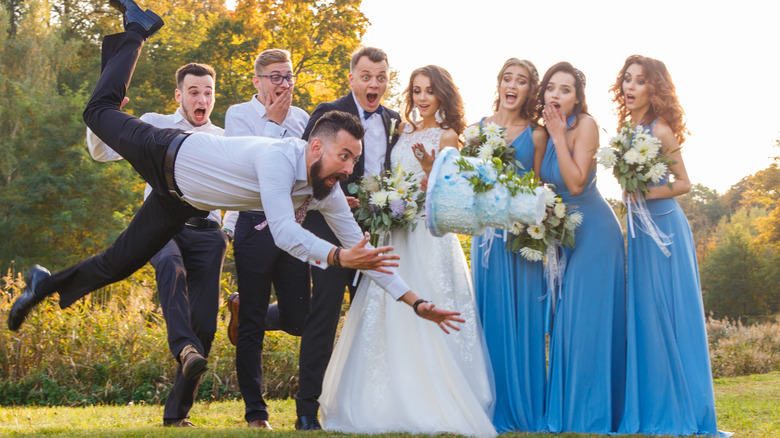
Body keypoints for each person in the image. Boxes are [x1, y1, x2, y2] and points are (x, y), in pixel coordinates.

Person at [7, 0, 462, 382]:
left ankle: (44, 285)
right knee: (97, 110)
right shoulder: (277, 159)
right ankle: (137, 30)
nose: (350, 168)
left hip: (178, 201)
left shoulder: (325, 188)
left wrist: (417, 302)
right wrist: (341, 258)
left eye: (353, 159)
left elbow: (361, 250)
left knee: (117, 263)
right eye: (344, 157)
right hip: (163, 152)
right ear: (316, 146)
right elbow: (284, 234)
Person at [320, 65, 497, 437]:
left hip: (428, 234)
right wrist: (383, 203)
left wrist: (431, 170)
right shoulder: (402, 130)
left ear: (442, 94)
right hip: (395, 231)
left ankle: (436, 396)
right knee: (387, 308)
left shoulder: (449, 136)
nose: (422, 97)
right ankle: (384, 399)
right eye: (416, 90)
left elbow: (450, 192)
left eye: (429, 91)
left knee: (430, 297)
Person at [86, 61, 228, 427]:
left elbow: (242, 189)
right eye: (194, 92)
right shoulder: (155, 123)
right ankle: (183, 346)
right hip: (163, 226)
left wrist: (229, 231)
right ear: (178, 95)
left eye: (208, 92)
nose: (202, 99)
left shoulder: (225, 139)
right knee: (169, 266)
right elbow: (102, 153)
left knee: (207, 326)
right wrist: (108, 115)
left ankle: (176, 415)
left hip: (208, 232)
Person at [611, 55, 726, 436]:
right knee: (644, 313)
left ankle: (686, 408)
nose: (630, 87)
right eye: (626, 80)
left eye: (639, 81)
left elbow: (683, 183)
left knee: (671, 313)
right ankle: (652, 405)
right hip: (640, 232)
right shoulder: (627, 131)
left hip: (665, 230)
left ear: (654, 89)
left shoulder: (660, 130)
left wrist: (643, 191)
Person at [294, 46, 402, 431]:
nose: (374, 84)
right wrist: (336, 192)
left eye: (382, 77)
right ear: (352, 77)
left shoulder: (395, 121)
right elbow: (305, 168)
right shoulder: (326, 112)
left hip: (374, 233)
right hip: (328, 232)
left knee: (369, 320)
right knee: (323, 315)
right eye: (367, 76)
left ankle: (365, 409)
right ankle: (307, 410)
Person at [221, 48, 311, 430]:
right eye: (275, 76)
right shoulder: (238, 115)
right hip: (254, 225)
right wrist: (273, 123)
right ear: (257, 80)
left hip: (292, 226)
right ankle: (256, 413)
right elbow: (246, 169)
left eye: (288, 76)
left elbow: (306, 168)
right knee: (254, 325)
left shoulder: (304, 118)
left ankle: (242, 308)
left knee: (299, 318)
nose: (283, 83)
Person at [537, 62, 626, 434]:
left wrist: (558, 135)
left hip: (595, 234)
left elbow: (574, 184)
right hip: (562, 235)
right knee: (564, 324)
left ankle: (589, 415)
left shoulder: (585, 125)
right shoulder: (542, 131)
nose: (556, 95)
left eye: (566, 90)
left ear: (577, 98)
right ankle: (568, 410)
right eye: (551, 88)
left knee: (583, 322)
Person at [469, 58, 548, 433]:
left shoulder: (536, 135)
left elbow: (539, 189)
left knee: (523, 320)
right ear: (499, 84)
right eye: (507, 79)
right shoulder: (479, 129)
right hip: (487, 238)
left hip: (519, 239)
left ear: (530, 90)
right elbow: (466, 181)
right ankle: (487, 403)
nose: (512, 86)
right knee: (489, 318)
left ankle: (524, 404)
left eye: (522, 81)